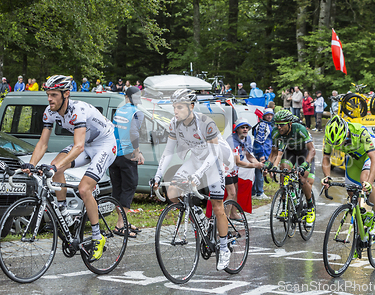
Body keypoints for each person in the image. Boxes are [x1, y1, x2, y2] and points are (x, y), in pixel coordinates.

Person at [21, 75, 117, 262]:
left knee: (83, 188)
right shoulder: (50, 112)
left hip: (104, 144)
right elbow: (42, 143)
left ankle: (98, 236)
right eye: (48, 94)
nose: (50, 99)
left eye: (54, 95)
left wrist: (55, 165)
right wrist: (31, 165)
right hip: (86, 144)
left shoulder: (78, 110)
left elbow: (79, 146)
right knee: (56, 169)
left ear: (66, 94)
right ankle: (65, 215)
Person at [151, 89, 235, 271]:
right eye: (174, 107)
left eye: (179, 107)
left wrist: (198, 176)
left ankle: (223, 247)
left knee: (217, 205)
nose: (175, 111)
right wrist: (158, 176)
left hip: (215, 160)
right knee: (172, 191)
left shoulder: (205, 123)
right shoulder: (174, 124)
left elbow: (213, 154)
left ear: (191, 106)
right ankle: (198, 215)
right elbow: (168, 151)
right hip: (196, 159)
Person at [321, 115, 375, 236]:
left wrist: (369, 182)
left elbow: (374, 158)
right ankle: (360, 228)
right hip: (353, 159)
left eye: (340, 142)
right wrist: (327, 176)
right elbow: (326, 158)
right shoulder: (329, 137)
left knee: (364, 181)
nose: (338, 146)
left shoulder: (359, 132)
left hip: (368, 156)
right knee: (351, 192)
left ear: (346, 133)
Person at [264, 109, 316, 226]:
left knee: (303, 179)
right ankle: (285, 207)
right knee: (284, 170)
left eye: (282, 125)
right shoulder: (276, 132)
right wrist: (268, 164)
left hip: (304, 153)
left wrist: (305, 164)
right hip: (290, 152)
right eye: (277, 124)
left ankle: (310, 207)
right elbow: (274, 153)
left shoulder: (299, 129)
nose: (279, 127)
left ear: (289, 123)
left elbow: (312, 150)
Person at [109, 87, 145, 238]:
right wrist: (137, 153)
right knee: (129, 188)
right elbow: (133, 133)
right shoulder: (137, 112)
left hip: (114, 154)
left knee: (118, 189)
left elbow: (115, 130)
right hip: (127, 155)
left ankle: (122, 221)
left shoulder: (119, 110)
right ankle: (120, 225)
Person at [226, 119, 263, 218]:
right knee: (231, 193)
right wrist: (255, 165)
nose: (245, 129)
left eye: (247, 127)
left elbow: (249, 156)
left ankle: (233, 214)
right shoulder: (232, 141)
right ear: (237, 129)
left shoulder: (246, 139)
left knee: (236, 192)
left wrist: (258, 163)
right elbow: (237, 161)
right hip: (224, 169)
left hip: (234, 169)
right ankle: (224, 219)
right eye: (243, 127)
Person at [252, 108, 274, 199]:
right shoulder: (262, 126)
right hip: (261, 153)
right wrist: (261, 155)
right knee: (260, 172)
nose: (269, 116)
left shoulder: (267, 125)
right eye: (267, 115)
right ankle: (259, 193)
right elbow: (258, 141)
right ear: (263, 116)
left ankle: (254, 193)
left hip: (265, 152)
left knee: (259, 172)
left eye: (271, 115)